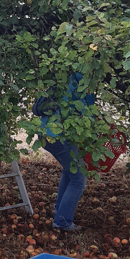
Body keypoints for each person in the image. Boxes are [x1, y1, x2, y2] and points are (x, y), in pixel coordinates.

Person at [33, 73, 95, 233]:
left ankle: (60, 213)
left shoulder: (64, 79)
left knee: (71, 171)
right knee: (79, 178)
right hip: (59, 136)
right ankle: (62, 221)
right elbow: (88, 114)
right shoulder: (84, 83)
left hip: (46, 134)